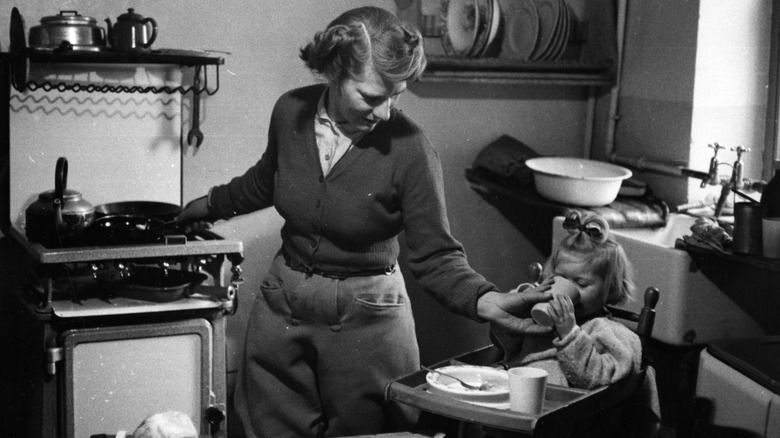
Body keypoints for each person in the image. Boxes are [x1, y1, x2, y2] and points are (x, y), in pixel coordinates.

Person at [176, 6, 550, 438]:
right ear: (334, 72)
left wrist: (487, 301)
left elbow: (436, 255)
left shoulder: (411, 149)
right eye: (372, 97)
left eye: (396, 96)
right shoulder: (290, 112)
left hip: (368, 317)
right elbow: (266, 180)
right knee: (267, 426)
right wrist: (204, 207)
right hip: (284, 303)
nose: (386, 111)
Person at [491, 210, 642, 389]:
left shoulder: (611, 334)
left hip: (559, 409)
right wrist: (515, 312)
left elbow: (598, 379)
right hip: (512, 389)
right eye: (561, 277)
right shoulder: (542, 321)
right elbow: (503, 343)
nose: (567, 289)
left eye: (581, 283)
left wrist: (570, 334)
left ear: (609, 289)